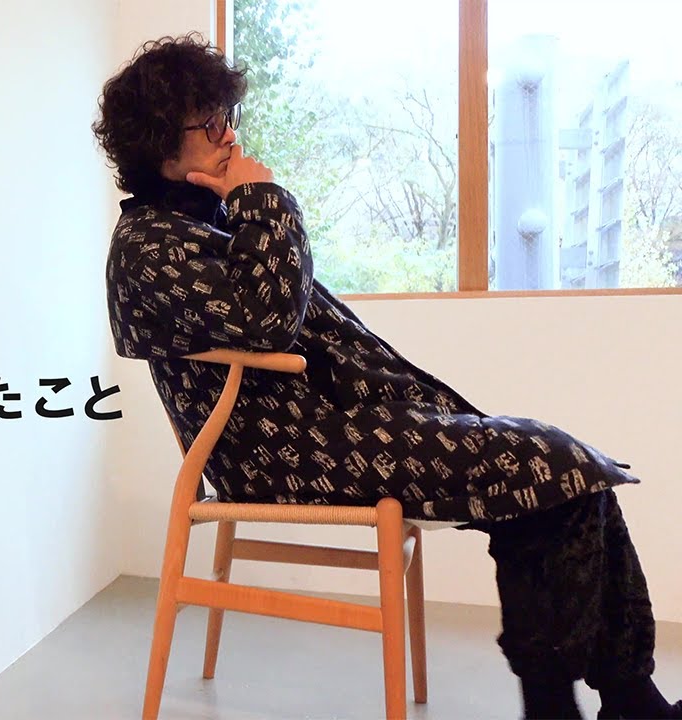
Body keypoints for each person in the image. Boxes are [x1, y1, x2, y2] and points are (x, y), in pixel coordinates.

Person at [93, 32, 679, 720]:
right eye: (209, 122)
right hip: (282, 453)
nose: (229, 134)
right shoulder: (147, 245)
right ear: (160, 145)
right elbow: (267, 321)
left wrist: (254, 205)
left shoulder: (211, 222)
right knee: (551, 464)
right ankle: (586, 706)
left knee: (561, 475)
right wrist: (265, 197)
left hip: (331, 431)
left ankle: (624, 697)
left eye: (228, 115)